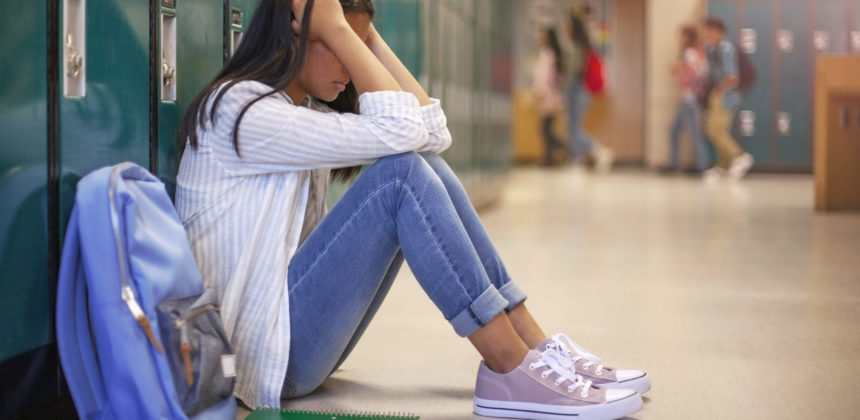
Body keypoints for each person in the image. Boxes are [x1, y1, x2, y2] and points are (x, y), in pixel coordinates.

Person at [175, 0, 649, 418]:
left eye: (359, 45)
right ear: (296, 31)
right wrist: (339, 28)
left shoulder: (303, 113)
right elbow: (404, 134)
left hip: (288, 342)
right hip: (258, 359)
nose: (350, 64)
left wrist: (359, 30)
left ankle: (534, 349)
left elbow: (432, 132)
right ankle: (508, 365)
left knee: (421, 164)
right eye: (341, 45)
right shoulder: (241, 111)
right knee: (400, 175)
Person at [560, 13, 614, 172]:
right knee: (573, 128)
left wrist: (562, 92)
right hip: (582, 91)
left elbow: (572, 72)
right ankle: (576, 158)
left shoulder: (575, 47)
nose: (564, 29)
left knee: (574, 129)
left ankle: (596, 150)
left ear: (573, 28)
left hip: (576, 90)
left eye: (566, 26)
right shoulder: (584, 46)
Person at [702, 18, 753, 181]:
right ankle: (723, 167)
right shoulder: (712, 49)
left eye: (709, 31)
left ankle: (739, 156)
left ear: (718, 31)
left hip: (725, 95)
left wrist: (719, 89)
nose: (707, 34)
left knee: (716, 131)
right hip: (717, 93)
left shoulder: (726, 48)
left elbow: (733, 78)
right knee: (716, 131)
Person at [667, 25, 710, 174]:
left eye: (681, 36)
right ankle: (674, 165)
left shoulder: (689, 53)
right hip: (690, 97)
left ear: (687, 38)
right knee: (673, 130)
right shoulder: (699, 53)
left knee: (693, 133)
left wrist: (675, 74)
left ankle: (702, 166)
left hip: (688, 97)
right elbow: (702, 73)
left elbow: (692, 74)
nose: (679, 39)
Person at [532, 28, 565, 166]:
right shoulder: (553, 55)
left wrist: (539, 92)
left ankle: (562, 147)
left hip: (547, 97)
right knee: (546, 129)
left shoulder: (548, 55)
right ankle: (549, 158)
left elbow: (544, 77)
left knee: (545, 129)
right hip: (550, 96)